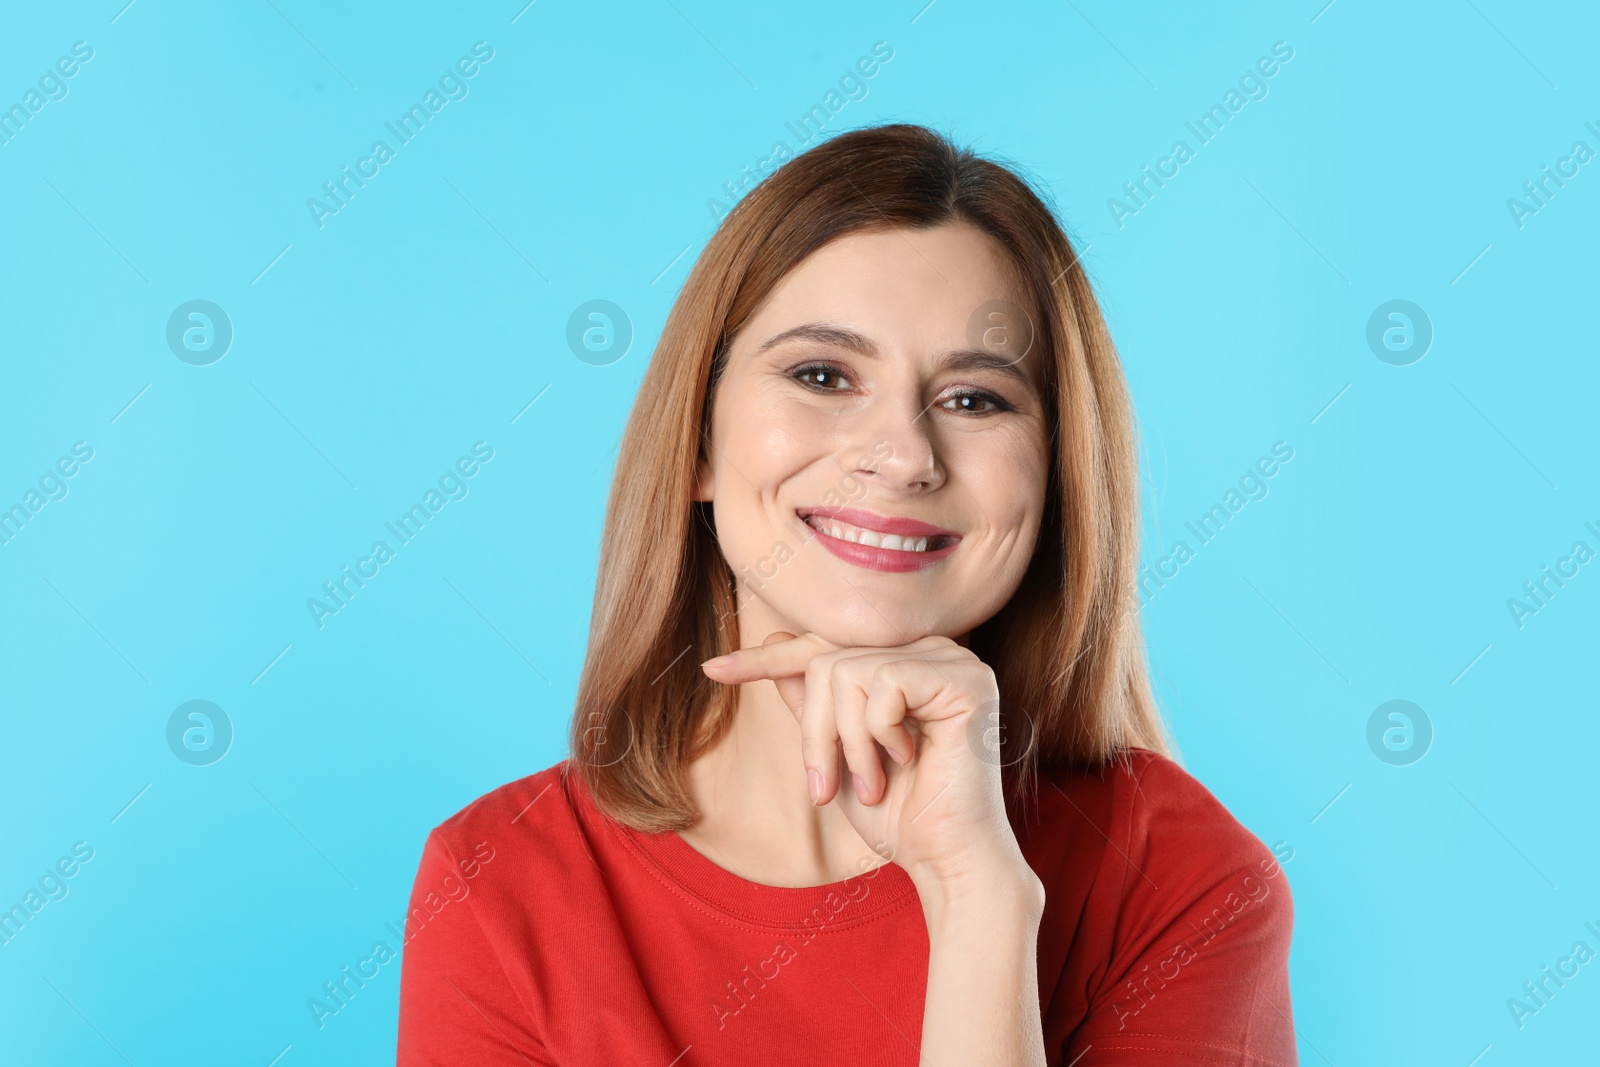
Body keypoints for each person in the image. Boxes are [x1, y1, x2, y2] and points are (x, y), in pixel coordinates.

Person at [396, 123, 1297, 1066]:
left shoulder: (1183, 881)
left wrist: (977, 899)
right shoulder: (500, 883)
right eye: (822, 375)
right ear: (699, 442)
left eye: (976, 398)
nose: (904, 456)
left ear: (1058, 469)